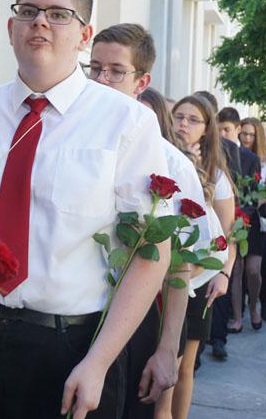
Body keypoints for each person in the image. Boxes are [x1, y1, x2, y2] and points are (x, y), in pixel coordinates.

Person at [0, 0, 170, 419]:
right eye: (28, 11)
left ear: (84, 35)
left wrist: (99, 362)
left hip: (67, 348)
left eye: (58, 14)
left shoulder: (126, 123)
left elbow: (150, 253)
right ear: (11, 28)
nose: (39, 22)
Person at [88, 24, 211, 419]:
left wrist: (168, 348)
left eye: (115, 71)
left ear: (141, 82)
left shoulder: (172, 163)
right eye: (94, 68)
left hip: (138, 319)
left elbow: (181, 263)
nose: (101, 80)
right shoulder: (69, 140)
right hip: (70, 322)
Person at [170, 95, 236, 419]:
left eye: (192, 119)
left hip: (197, 278)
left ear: (207, 128)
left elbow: (227, 234)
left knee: (184, 365)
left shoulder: (216, 174)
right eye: (178, 116)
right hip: (161, 276)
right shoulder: (160, 156)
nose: (183, 124)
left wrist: (223, 274)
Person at [240, 116, 266, 323]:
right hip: (241, 213)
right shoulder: (235, 154)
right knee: (239, 266)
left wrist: (260, 200)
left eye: (251, 135)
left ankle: (265, 302)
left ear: (258, 136)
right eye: (244, 133)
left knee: (260, 266)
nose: (246, 138)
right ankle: (239, 306)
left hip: (260, 216)